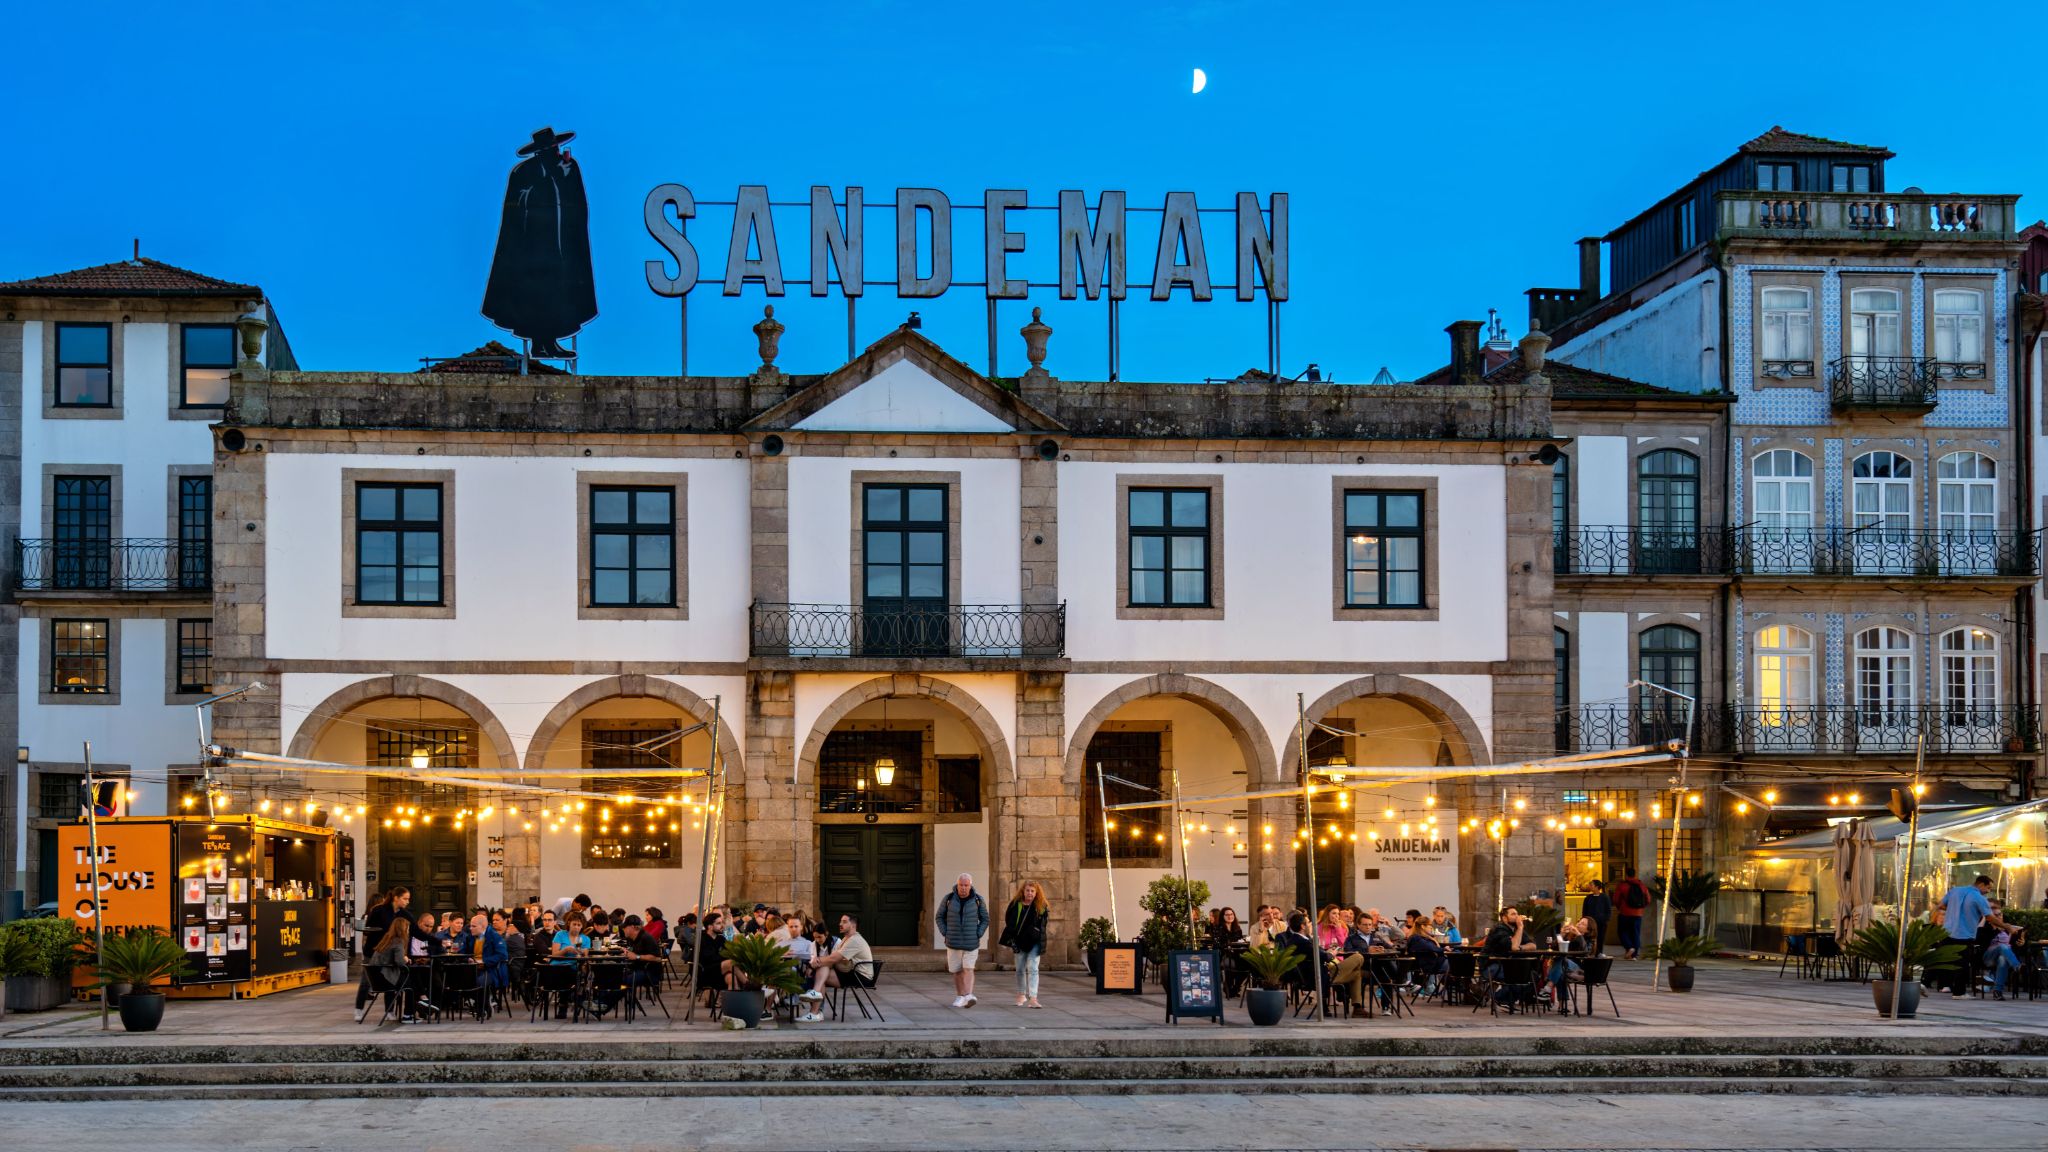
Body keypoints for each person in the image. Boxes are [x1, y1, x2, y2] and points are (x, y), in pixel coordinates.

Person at [797, 913, 876, 1022]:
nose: (840, 924)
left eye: (844, 922)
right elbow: (833, 959)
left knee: (820, 975)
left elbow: (833, 958)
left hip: (860, 976)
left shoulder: (855, 940)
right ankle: (815, 1009)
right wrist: (818, 963)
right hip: (850, 972)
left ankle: (815, 1010)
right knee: (821, 975)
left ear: (853, 925)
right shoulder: (846, 939)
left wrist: (816, 963)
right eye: (840, 921)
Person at [353, 885, 409, 1023]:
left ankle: (389, 1011)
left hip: (389, 951)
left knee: (390, 976)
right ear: (395, 898)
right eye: (405, 898)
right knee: (366, 981)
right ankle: (358, 1009)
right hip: (373, 950)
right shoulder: (378, 910)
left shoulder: (401, 913)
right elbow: (367, 930)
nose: (407, 902)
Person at [936, 872, 990, 1009]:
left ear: (970, 885)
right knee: (956, 970)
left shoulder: (978, 900)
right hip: (953, 941)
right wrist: (945, 932)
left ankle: (968, 995)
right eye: (961, 885)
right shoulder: (948, 899)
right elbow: (939, 917)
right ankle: (961, 996)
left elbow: (985, 919)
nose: (963, 888)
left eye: (966, 885)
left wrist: (978, 933)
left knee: (968, 968)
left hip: (971, 941)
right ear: (957, 885)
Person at [1937, 874, 1994, 996]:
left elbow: (1941, 905)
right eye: (1988, 888)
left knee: (1947, 961)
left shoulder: (1955, 891)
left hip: (1947, 932)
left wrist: (1954, 909)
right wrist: (2007, 927)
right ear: (1981, 884)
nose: (1988, 892)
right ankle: (1959, 992)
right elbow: (1989, 916)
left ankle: (1946, 986)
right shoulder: (1979, 898)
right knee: (1962, 964)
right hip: (1964, 934)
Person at [999, 880, 1051, 1009]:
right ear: (1023, 891)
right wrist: (1012, 938)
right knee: (1020, 969)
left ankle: (1033, 998)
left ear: (1036, 893)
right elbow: (1009, 920)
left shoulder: (1041, 906)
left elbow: (1043, 925)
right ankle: (1021, 994)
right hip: (1019, 941)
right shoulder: (1015, 905)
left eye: (1032, 891)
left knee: (1033, 969)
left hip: (1034, 942)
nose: (1030, 893)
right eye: (1027, 890)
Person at [367, 916, 418, 1023]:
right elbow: (400, 962)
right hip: (386, 978)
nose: (408, 931)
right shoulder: (398, 941)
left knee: (403, 982)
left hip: (377, 978)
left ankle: (389, 1012)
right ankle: (408, 1015)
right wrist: (406, 959)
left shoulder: (386, 939)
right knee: (412, 985)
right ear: (403, 929)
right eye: (407, 928)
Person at [1613, 868, 1652, 959]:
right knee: (1635, 933)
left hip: (1625, 913)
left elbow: (1616, 899)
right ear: (1635, 875)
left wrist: (1620, 908)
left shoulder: (1622, 886)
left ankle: (1629, 947)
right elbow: (1648, 899)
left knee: (1622, 931)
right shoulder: (1642, 886)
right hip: (1638, 914)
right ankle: (1634, 955)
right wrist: (1641, 907)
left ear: (1626, 875)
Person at [1581, 880, 1613, 957]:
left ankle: (1599, 952)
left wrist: (1605, 919)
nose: (1590, 886)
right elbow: (1584, 910)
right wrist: (1585, 920)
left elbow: (1608, 910)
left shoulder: (1605, 897)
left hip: (1601, 922)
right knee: (1589, 937)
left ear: (1597, 887)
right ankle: (1589, 952)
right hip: (1590, 922)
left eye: (1591, 885)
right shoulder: (1588, 898)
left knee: (1600, 937)